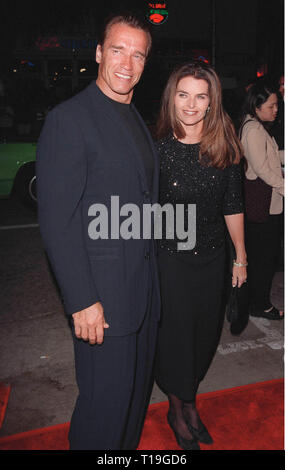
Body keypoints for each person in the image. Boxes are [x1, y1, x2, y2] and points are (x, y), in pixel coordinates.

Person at [36, 13, 160, 450]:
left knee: (132, 405)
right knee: (103, 412)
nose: (127, 63)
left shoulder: (136, 119)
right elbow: (58, 221)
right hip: (102, 302)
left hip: (143, 293)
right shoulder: (69, 119)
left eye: (138, 53)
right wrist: (82, 300)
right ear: (98, 54)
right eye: (118, 50)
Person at [154, 61, 247, 450]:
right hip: (170, 261)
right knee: (177, 341)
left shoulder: (224, 146)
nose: (191, 104)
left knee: (205, 338)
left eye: (201, 96)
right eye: (183, 95)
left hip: (213, 259)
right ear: (172, 99)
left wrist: (241, 256)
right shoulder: (155, 149)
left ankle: (188, 404)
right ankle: (180, 410)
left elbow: (232, 203)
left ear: (211, 102)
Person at [239, 81, 284, 320]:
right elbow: (263, 170)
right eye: (272, 105)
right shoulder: (254, 130)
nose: (276, 109)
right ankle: (260, 305)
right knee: (263, 259)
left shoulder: (254, 126)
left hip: (264, 204)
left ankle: (256, 302)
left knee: (262, 257)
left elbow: (270, 155)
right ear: (257, 106)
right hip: (263, 204)